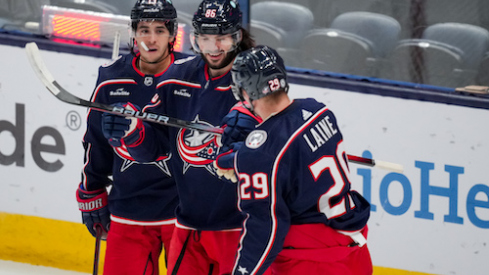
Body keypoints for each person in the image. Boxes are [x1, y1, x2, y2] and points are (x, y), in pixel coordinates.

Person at [100, 0, 258, 274]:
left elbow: (279, 151)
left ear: (237, 37)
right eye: (205, 38)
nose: (213, 48)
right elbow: (155, 149)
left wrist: (252, 147)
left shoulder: (256, 81)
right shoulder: (178, 78)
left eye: (221, 38)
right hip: (189, 227)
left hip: (241, 227)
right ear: (195, 38)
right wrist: (132, 131)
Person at [216, 45, 373, 275]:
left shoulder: (261, 153)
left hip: (310, 263)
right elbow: (289, 157)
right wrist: (243, 160)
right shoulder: (319, 111)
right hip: (353, 250)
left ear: (247, 93)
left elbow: (264, 229)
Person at [76, 1, 188, 274]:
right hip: (129, 207)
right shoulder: (111, 79)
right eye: (144, 29)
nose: (151, 39)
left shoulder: (191, 77)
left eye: (160, 30)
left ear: (173, 34)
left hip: (184, 210)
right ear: (133, 33)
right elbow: (96, 142)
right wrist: (91, 189)